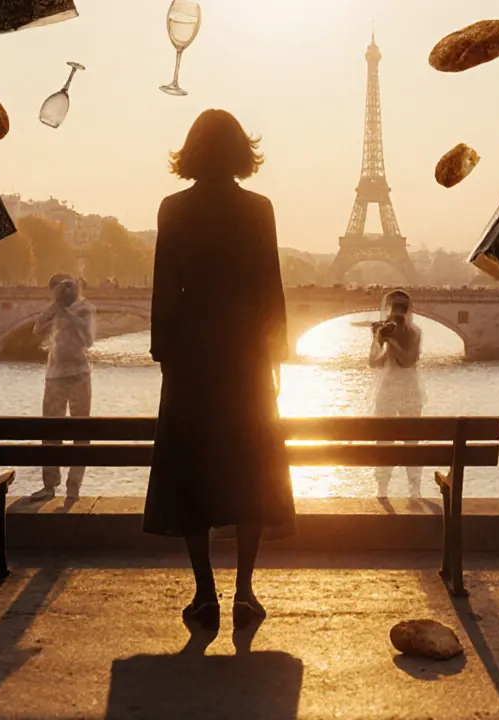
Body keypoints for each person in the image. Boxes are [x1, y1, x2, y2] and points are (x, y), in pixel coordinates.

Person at [144, 109, 296, 631]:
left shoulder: (173, 209)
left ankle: (204, 592)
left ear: (190, 152)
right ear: (240, 152)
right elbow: (269, 286)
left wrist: (164, 352)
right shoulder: (259, 209)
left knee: (190, 474)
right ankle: (246, 591)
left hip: (192, 358)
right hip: (244, 355)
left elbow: (165, 288)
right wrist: (275, 352)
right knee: (250, 470)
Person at [30, 273, 96, 501]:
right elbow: (37, 329)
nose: (66, 291)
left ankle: (73, 486)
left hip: (78, 373)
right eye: (61, 287)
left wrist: (67, 313)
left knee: (80, 431)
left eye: (69, 286)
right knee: (50, 430)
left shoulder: (86, 309)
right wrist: (54, 305)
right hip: (56, 375)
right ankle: (50, 484)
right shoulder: (55, 309)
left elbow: (88, 340)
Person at [370, 289, 425, 499]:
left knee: (410, 439)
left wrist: (391, 342)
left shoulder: (414, 332)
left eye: (402, 308)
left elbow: (408, 361)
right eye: (396, 308)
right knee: (385, 439)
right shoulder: (381, 330)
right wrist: (378, 340)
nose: (398, 312)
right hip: (389, 388)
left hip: (406, 389)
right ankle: (383, 487)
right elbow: (373, 362)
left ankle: (413, 489)